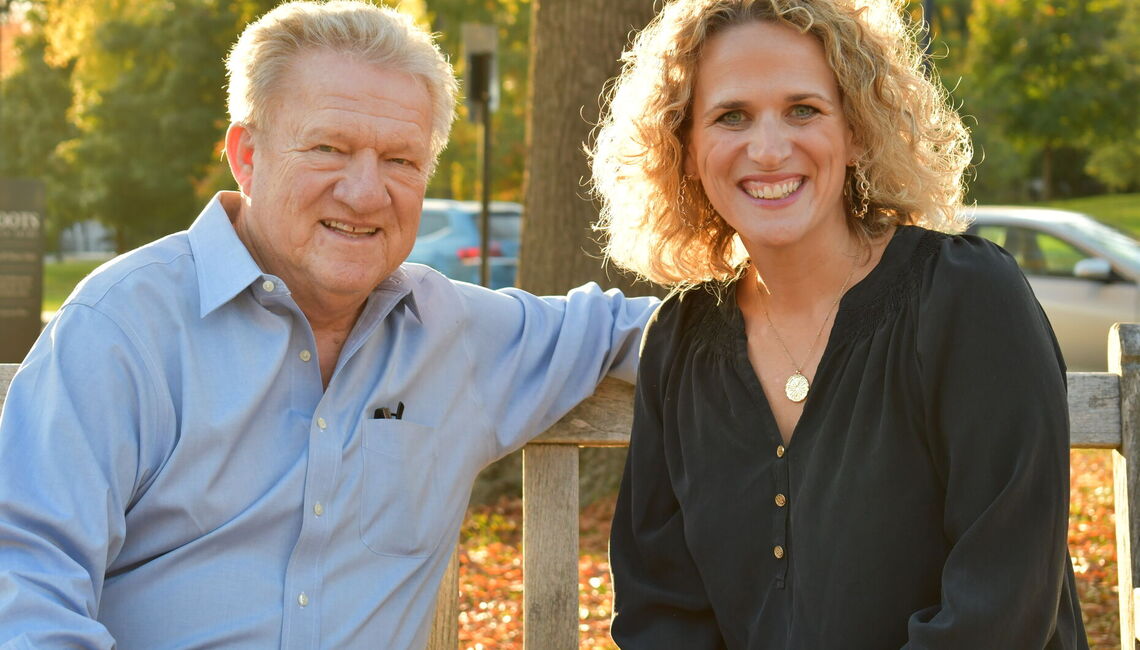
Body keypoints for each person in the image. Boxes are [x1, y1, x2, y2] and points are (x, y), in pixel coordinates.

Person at [0, 2, 657, 648]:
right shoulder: (123, 327)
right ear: (247, 155)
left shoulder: (456, 333)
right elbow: (25, 587)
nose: (366, 192)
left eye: (400, 160)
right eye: (328, 148)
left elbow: (641, 330)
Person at [590, 0, 1088, 647]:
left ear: (856, 131)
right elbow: (661, 609)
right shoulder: (680, 342)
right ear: (685, 150)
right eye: (731, 116)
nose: (768, 149)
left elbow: (1000, 604)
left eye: (804, 109)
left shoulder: (967, 299)